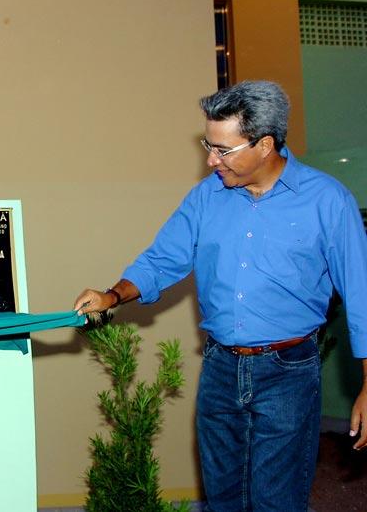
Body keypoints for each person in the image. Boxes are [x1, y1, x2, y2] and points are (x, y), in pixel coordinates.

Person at [73, 80, 367, 511]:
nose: (211, 160)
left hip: (288, 372)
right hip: (220, 368)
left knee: (276, 500)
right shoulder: (206, 197)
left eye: (223, 150)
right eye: (208, 146)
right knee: (223, 497)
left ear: (265, 145)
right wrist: (112, 296)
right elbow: (162, 259)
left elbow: (361, 295)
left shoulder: (328, 202)